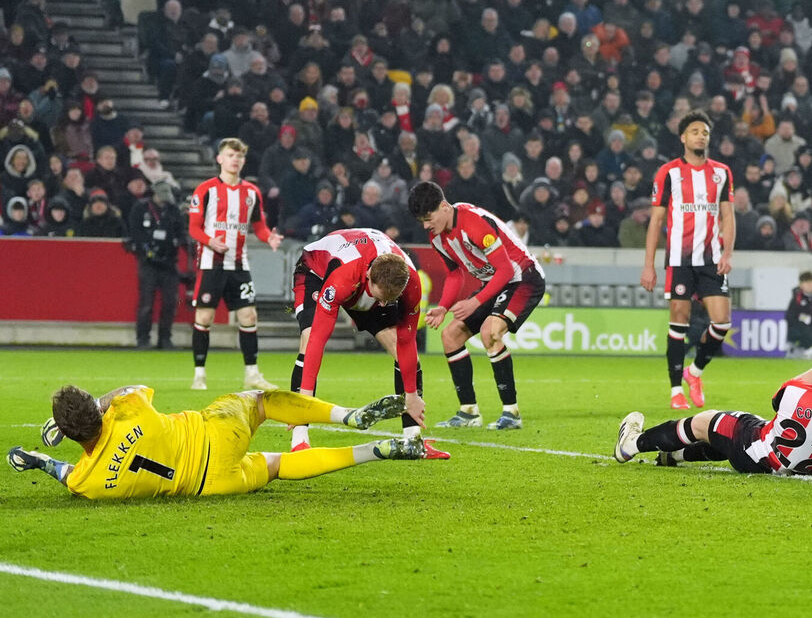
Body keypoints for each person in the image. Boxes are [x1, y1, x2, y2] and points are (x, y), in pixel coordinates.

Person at [7, 385, 425, 500]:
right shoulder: (127, 409)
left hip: (212, 484)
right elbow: (134, 386)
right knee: (262, 401)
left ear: (71, 435)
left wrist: (40, 459)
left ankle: (376, 452)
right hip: (216, 431)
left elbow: (65, 474)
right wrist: (100, 402)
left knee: (277, 465)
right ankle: (347, 416)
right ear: (97, 413)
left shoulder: (88, 482)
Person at [613, 334, 812, 475]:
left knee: (707, 421)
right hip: (795, 468)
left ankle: (631, 445)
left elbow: (780, 395)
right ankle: (672, 456)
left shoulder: (798, 393)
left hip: (756, 454)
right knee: (730, 434)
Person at [289, 227, 448, 460]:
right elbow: (317, 342)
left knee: (397, 345)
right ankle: (299, 439)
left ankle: (413, 439)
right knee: (309, 336)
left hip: (366, 282)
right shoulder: (344, 276)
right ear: (369, 275)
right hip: (316, 273)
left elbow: (406, 341)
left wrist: (412, 396)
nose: (384, 305)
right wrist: (303, 403)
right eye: (381, 297)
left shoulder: (409, 282)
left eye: (390, 300)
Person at [407, 181, 546, 431]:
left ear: (444, 206)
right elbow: (454, 275)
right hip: (496, 281)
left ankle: (511, 413)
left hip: (523, 277)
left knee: (490, 332)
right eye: (421, 221)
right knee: (450, 336)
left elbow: (505, 269)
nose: (426, 225)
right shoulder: (437, 237)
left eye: (428, 218)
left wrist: (475, 302)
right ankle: (469, 412)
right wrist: (444, 306)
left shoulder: (473, 223)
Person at [641, 110, 735, 410]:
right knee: (678, 320)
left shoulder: (721, 172)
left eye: (705, 132)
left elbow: (728, 216)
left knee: (721, 321)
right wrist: (649, 264)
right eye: (695, 131)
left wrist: (728, 254)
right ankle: (674, 392)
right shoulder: (668, 173)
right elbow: (656, 221)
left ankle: (694, 373)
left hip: (711, 258)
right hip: (679, 259)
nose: (700, 136)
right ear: (683, 137)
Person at [187, 137, 283, 391]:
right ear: (220, 158)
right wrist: (211, 241)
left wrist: (269, 237)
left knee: (249, 315)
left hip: (239, 264)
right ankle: (199, 374)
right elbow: (193, 228)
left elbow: (259, 226)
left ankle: (252, 373)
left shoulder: (252, 192)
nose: (235, 160)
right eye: (231, 155)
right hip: (211, 263)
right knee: (205, 317)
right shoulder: (205, 190)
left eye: (239, 156)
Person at [128, 181, 186, 350]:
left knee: (170, 302)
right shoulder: (141, 209)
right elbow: (135, 232)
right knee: (146, 303)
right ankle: (143, 338)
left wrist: (182, 242)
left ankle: (165, 338)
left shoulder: (173, 210)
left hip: (169, 261)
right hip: (148, 262)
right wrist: (145, 250)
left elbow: (180, 232)